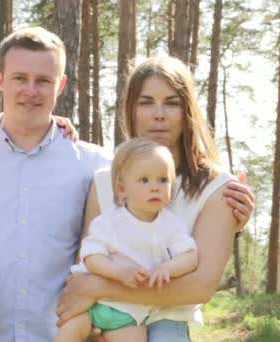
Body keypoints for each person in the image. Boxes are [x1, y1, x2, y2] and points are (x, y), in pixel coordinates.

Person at [0, 30, 255, 342]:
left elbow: (149, 211)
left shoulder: (96, 165)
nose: (30, 91)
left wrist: (233, 212)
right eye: (20, 78)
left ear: (61, 85)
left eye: (43, 80)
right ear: (0, 80)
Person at [56, 55, 255, 342]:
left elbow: (200, 287)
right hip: (107, 324)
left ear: (187, 112)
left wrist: (97, 289)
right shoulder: (104, 181)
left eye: (172, 103)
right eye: (146, 102)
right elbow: (86, 264)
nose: (158, 114)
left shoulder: (217, 187)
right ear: (131, 110)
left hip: (169, 325)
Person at [55, 138, 198, 342]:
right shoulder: (108, 222)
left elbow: (190, 256)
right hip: (93, 305)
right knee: (65, 335)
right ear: (122, 188)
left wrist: (167, 268)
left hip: (131, 315)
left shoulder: (171, 225)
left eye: (163, 180)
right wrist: (118, 273)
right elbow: (91, 256)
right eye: (144, 180)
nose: (155, 187)